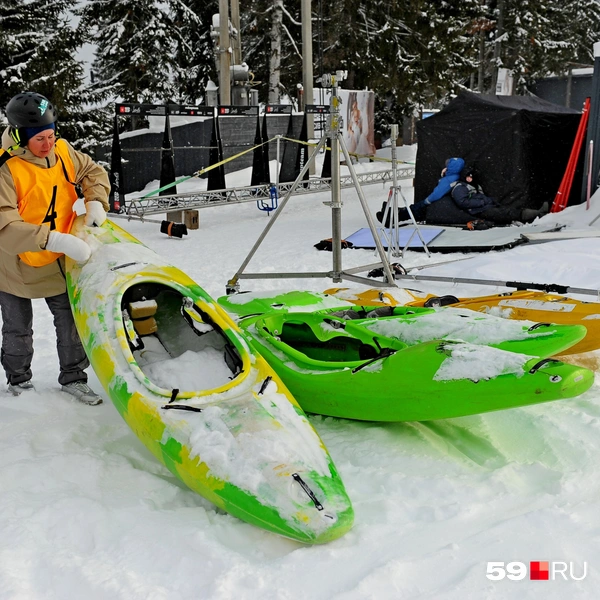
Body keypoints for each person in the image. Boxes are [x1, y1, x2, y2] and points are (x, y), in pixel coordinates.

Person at [0, 91, 110, 404]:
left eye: (52, 135)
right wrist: (54, 239)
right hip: (15, 260)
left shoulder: (60, 150)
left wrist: (96, 202)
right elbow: (4, 225)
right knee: (18, 327)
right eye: (40, 139)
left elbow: (91, 171)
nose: (48, 144)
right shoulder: (6, 168)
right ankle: (19, 381)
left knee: (70, 319)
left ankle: (74, 377)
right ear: (21, 136)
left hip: (60, 257)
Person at [376, 157, 464, 225]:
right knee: (413, 209)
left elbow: (437, 194)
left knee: (415, 210)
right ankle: (391, 213)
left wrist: (426, 201)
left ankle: (392, 217)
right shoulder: (453, 177)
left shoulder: (448, 180)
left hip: (435, 203)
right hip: (439, 203)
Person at [450, 166, 549, 225]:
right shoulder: (460, 187)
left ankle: (536, 214)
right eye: (468, 177)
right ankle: (537, 214)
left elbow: (480, 196)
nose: (470, 179)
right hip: (478, 211)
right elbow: (462, 202)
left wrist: (489, 201)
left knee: (507, 210)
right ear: (463, 177)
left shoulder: (473, 185)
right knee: (506, 213)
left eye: (471, 177)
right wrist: (482, 202)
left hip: (484, 207)